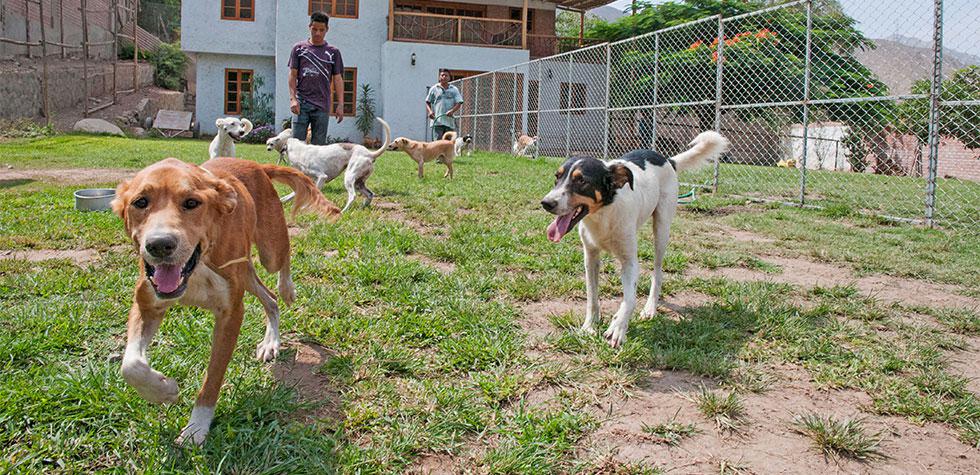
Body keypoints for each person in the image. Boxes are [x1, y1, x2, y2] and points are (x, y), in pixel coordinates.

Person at [288, 11, 344, 145]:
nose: (318, 33)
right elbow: (292, 74)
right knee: (296, 145)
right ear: (309, 27)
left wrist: (341, 104)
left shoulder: (333, 52)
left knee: (318, 148)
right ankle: (295, 167)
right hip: (301, 103)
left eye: (321, 30)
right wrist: (293, 99)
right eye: (314, 29)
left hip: (322, 105)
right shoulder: (299, 49)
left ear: (327, 30)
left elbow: (338, 79)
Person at [426, 69, 464, 141]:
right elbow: (427, 101)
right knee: (437, 145)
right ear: (439, 77)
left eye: (446, 75)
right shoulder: (434, 89)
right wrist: (430, 111)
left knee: (449, 144)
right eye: (442, 75)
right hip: (437, 122)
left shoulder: (454, 89)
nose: (444, 77)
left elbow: (459, 102)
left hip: (449, 122)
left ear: (449, 78)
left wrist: (452, 111)